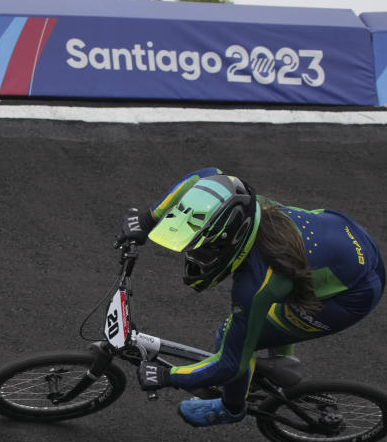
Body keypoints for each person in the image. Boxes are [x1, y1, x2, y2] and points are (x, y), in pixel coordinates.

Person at [119, 167, 385, 427]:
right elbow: (204, 176)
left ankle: (231, 408)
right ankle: (280, 363)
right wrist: (147, 220)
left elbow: (230, 366)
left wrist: (168, 375)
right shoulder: (242, 205)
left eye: (204, 247)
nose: (194, 253)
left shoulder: (257, 285)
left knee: (229, 338)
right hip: (344, 236)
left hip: (351, 296)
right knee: (265, 315)